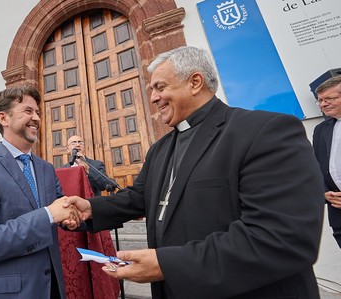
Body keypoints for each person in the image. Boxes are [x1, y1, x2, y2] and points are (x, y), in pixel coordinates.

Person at [64, 46, 324, 298]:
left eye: (160, 87)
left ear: (195, 82)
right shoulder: (161, 148)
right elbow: (140, 197)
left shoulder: (263, 132)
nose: (153, 98)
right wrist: (91, 208)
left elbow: (281, 238)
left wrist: (166, 264)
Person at [0, 87, 80, 299]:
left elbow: (60, 210)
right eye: (28, 111)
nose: (37, 118)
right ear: (3, 118)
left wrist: (71, 217)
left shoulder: (46, 168)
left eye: (38, 112)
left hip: (49, 289)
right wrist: (49, 215)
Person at [312, 75, 341, 249]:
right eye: (320, 100)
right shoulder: (321, 129)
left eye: (329, 99)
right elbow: (316, 166)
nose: (323, 104)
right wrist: (323, 192)